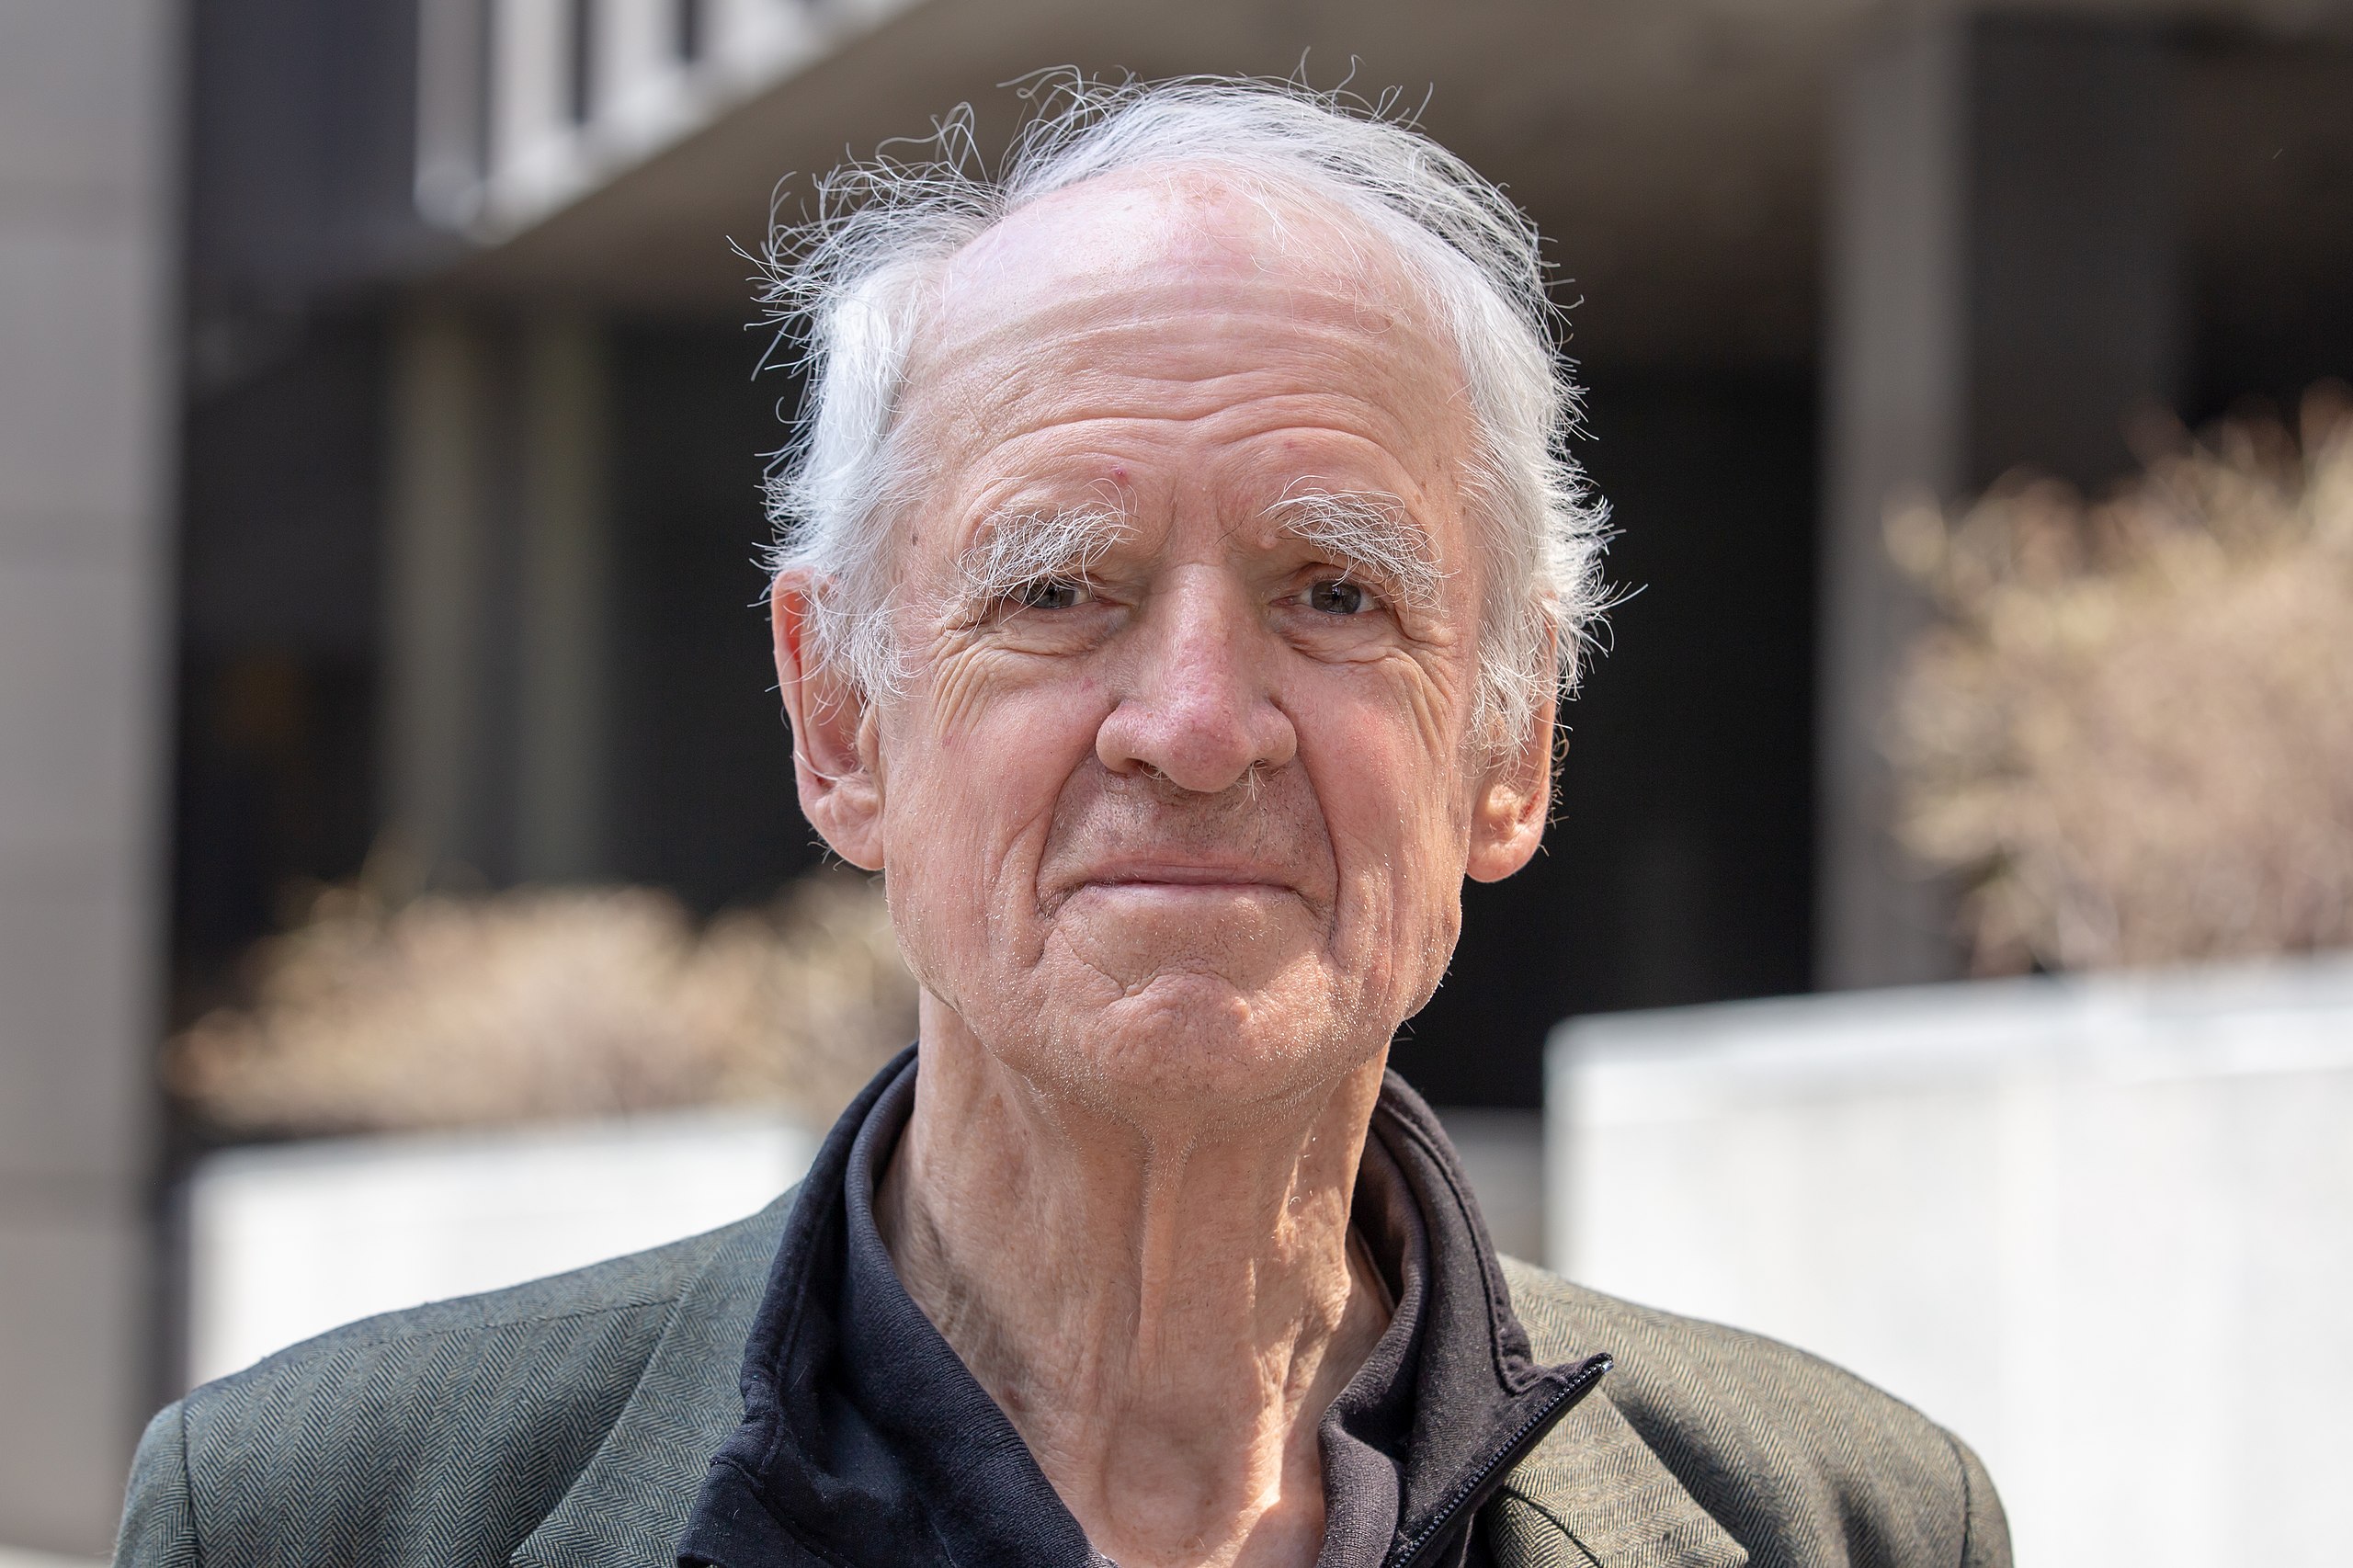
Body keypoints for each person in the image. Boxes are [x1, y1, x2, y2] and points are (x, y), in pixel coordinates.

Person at [115, 78, 2007, 1568]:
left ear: (1507, 737)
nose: (1192, 727)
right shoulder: (316, 1520)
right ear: (839, 713)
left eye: (1336, 594)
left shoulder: (1840, 1527)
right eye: (1055, 590)